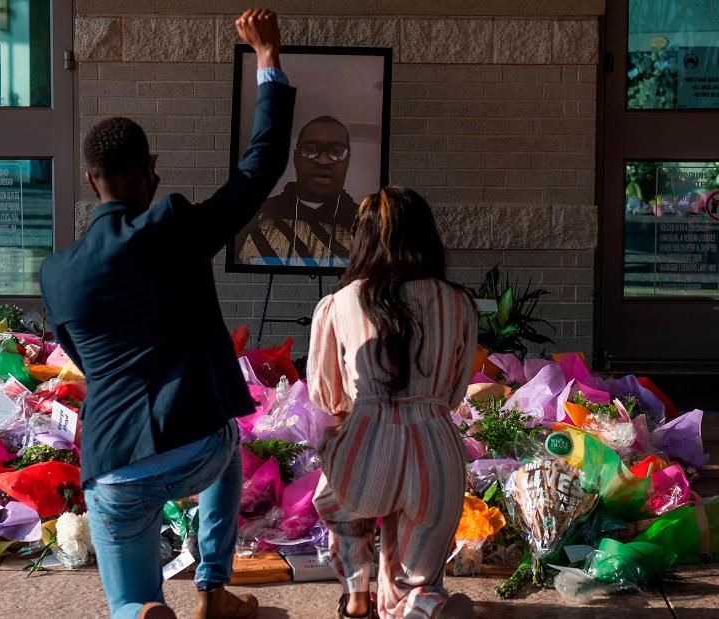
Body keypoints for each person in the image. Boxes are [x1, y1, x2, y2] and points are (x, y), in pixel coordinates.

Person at [37, 10, 295, 619]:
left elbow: (84, 360)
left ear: (91, 179)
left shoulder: (56, 273)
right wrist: (267, 59)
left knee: (128, 600)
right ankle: (212, 586)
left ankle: (144, 612)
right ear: (150, 171)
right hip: (195, 447)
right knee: (228, 441)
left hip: (112, 465)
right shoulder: (172, 225)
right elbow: (258, 171)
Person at [307, 187, 478, 619]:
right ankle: (419, 604)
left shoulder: (338, 303)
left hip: (363, 447)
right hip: (435, 450)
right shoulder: (458, 303)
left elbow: (326, 395)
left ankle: (356, 593)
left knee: (342, 509)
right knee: (417, 572)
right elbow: (455, 392)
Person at [235, 116, 358, 267]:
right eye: (310, 149)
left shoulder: (366, 226)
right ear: (296, 158)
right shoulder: (254, 216)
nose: (323, 160)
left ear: (347, 162)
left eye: (337, 151)